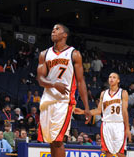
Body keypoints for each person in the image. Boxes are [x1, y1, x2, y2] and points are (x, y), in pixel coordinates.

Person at [36, 24, 92, 157]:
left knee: (58, 140)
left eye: (57, 29)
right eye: (53, 29)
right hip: (47, 100)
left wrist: (87, 108)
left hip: (64, 101)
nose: (53, 31)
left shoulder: (74, 54)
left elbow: (80, 82)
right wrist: (54, 84)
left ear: (65, 35)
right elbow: (40, 80)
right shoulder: (44, 54)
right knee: (51, 141)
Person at [74, 73, 130, 157]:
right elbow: (99, 110)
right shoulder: (103, 94)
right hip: (106, 124)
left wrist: (128, 128)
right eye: (110, 77)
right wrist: (83, 112)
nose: (111, 79)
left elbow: (125, 111)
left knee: (120, 153)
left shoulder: (123, 93)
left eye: (114, 77)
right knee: (107, 152)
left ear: (118, 80)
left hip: (119, 124)